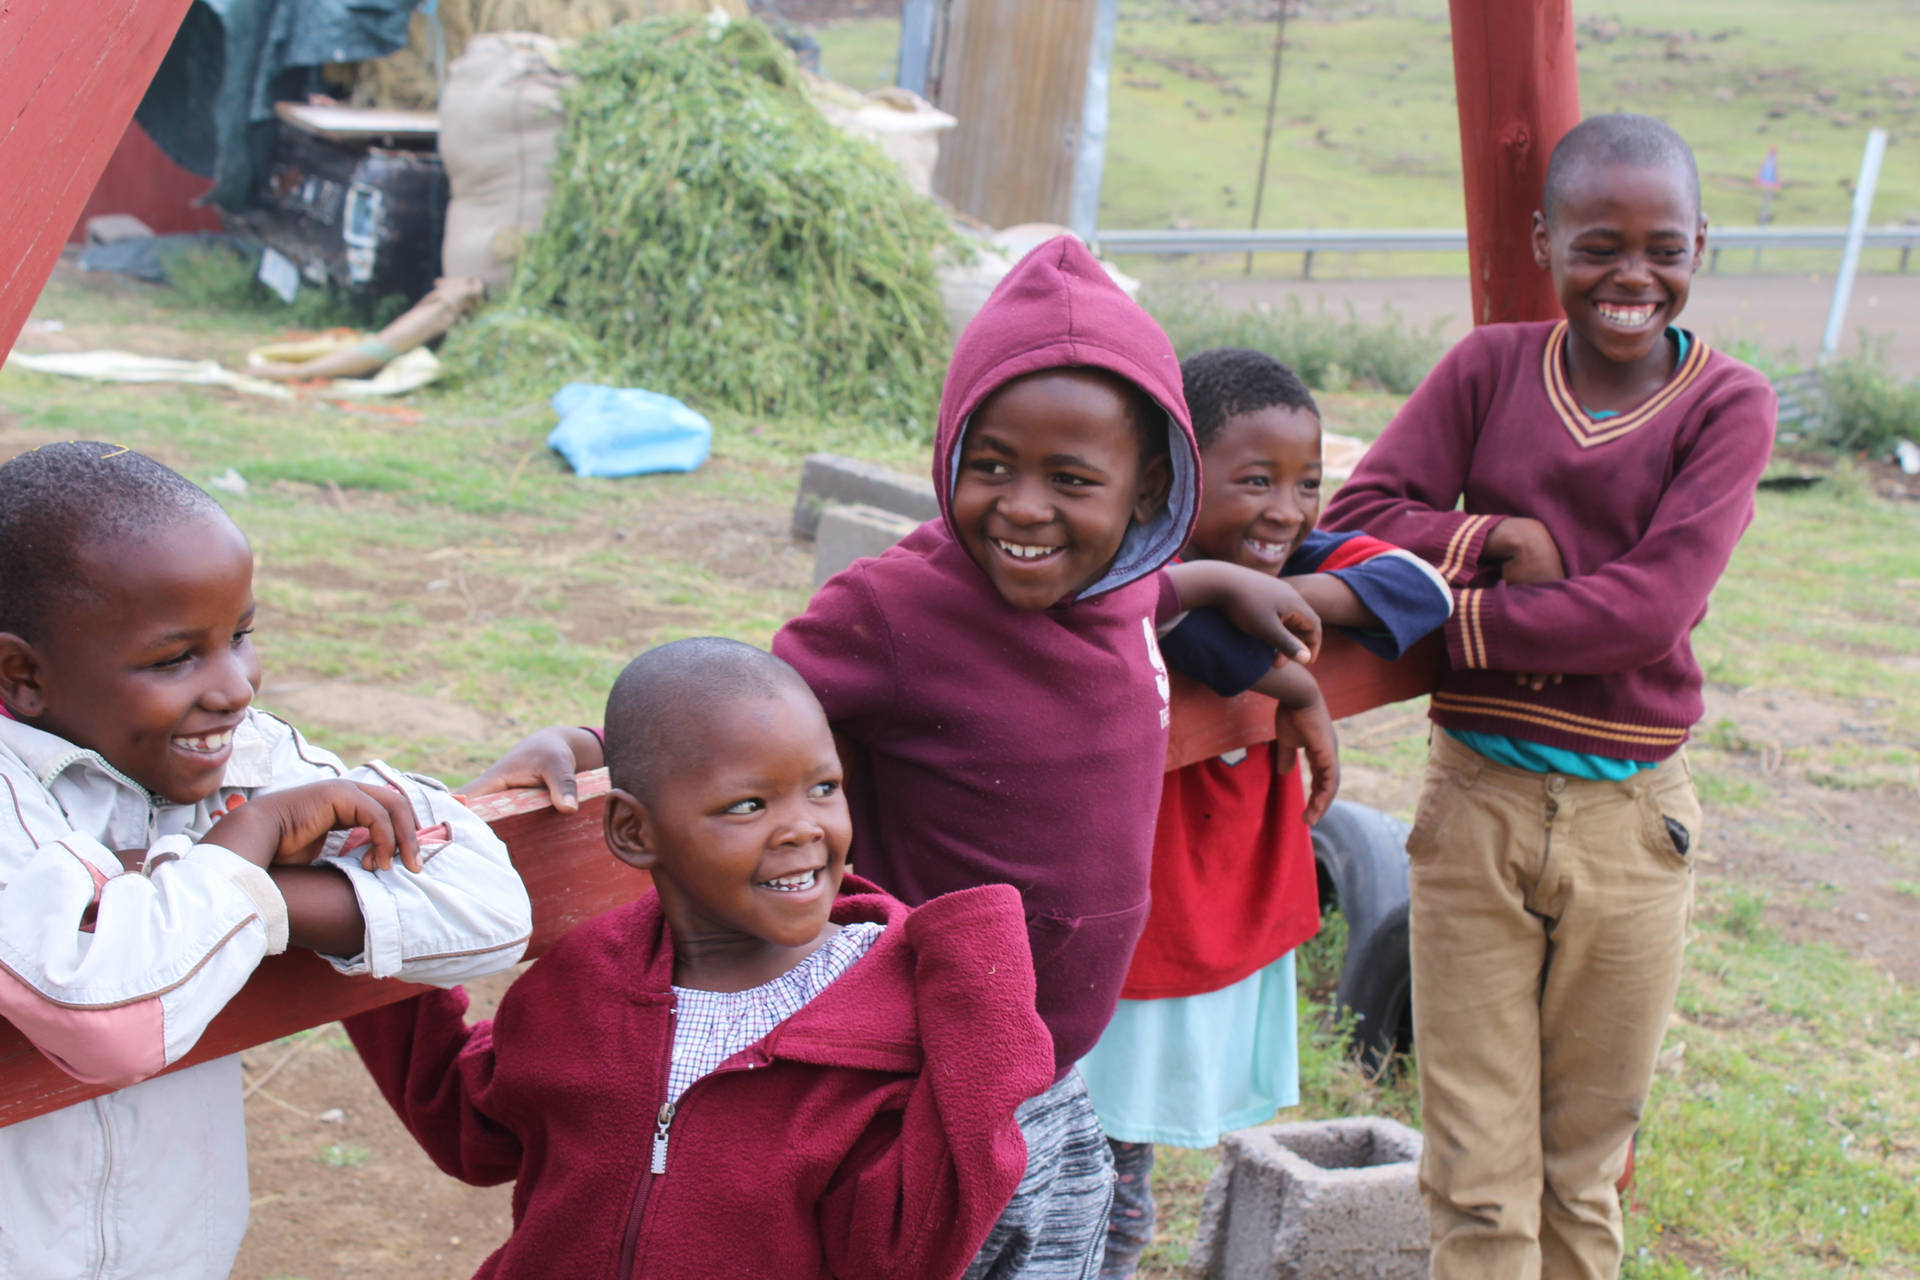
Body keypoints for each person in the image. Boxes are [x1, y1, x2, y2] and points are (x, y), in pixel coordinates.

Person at [467, 235, 1325, 1279]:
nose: (1021, 507)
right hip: (915, 1081)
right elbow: (752, 706)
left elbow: (1152, 590)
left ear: (1147, 493)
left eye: (1070, 479)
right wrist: (598, 744)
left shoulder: (1124, 587)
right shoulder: (901, 605)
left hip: (1051, 1074)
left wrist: (1223, 595)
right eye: (991, 464)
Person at [1320, 114, 1777, 1280]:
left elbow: (1645, 611)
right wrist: (1493, 531)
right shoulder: (1487, 369)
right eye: (1598, 245)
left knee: (1581, 1162)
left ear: (1701, 246)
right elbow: (1360, 515)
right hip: (1474, 801)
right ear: (1546, 240)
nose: (1633, 276)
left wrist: (1455, 620)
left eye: (1663, 248)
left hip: (1634, 823)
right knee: (1474, 1169)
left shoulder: (1729, 405)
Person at [346, 638, 1056, 1280]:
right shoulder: (586, 977)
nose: (803, 828)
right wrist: (377, 919)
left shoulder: (890, 1018)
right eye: (748, 805)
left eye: (824, 788)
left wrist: (985, 1014)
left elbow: (900, 1258)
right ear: (632, 831)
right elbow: (470, 1128)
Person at [0, 442, 533, 1280]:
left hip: (179, 1254)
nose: (235, 688)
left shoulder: (242, 751)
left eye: (241, 637)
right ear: (22, 676)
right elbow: (109, 1015)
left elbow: (490, 908)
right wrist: (245, 844)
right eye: (176, 658)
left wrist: (270, 902)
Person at [1079, 348, 1454, 1278]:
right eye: (1256, 481)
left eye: (1308, 483)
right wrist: (1287, 674)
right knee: (1092, 1175)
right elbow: (1164, 612)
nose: (1287, 509)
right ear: (1171, 480)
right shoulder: (1121, 574)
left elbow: (1423, 588)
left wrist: (1272, 599)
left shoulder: (1287, 552)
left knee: (1122, 1169)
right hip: (1138, 935)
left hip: (1218, 924)